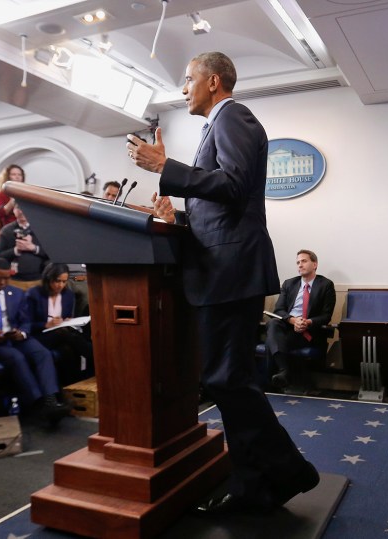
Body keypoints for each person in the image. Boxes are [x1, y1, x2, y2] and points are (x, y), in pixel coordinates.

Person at [127, 51, 319, 514]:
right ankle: (256, 484)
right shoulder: (217, 125)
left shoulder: (235, 116)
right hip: (222, 270)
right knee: (227, 379)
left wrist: (165, 169)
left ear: (213, 82)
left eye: (188, 79)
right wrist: (183, 215)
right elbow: (222, 207)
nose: (184, 88)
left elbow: (234, 184)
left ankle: (289, 472)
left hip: (230, 273)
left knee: (226, 380)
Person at [0, 258, 69, 423]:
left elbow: (25, 321)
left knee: (42, 353)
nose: (3, 282)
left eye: (6, 278)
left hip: (14, 337)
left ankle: (50, 400)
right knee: (15, 357)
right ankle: (38, 404)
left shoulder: (16, 293)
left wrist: (22, 333)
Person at [266, 250, 336, 389]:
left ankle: (272, 383)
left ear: (315, 264)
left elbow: (326, 315)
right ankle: (285, 373)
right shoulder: (289, 284)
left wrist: (307, 322)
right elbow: (278, 310)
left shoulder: (326, 285)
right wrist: (293, 321)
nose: (300, 265)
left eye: (304, 261)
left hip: (308, 330)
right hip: (287, 325)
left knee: (271, 341)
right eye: (298, 262)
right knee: (273, 323)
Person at [26, 263, 94, 385]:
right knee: (68, 337)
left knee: (68, 349)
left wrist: (67, 321)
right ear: (48, 278)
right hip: (39, 336)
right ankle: (92, 356)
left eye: (64, 281)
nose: (60, 285)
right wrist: (46, 324)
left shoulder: (68, 295)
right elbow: (26, 324)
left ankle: (72, 387)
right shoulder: (34, 294)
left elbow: (65, 317)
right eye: (57, 281)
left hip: (59, 334)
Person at [0, 204, 49, 290]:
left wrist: (34, 248)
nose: (22, 211)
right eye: (18, 208)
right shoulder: (7, 230)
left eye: (25, 207)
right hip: (13, 281)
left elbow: (52, 254)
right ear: (13, 210)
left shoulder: (42, 229)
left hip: (38, 281)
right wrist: (16, 250)